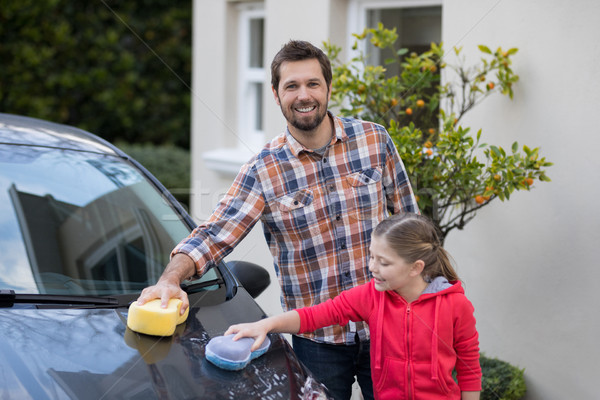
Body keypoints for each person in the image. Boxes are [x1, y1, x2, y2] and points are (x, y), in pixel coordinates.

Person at [137, 40, 418, 399]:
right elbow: (215, 233)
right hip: (317, 342)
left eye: (313, 84)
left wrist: (431, 301)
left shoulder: (374, 141)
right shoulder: (264, 169)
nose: (304, 95)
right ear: (275, 94)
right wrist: (170, 278)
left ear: (329, 88)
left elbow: (411, 225)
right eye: (292, 86)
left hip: (389, 328)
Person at [225, 213, 482, 400]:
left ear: (416, 268)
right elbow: (316, 315)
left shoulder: (455, 304)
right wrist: (266, 324)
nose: (372, 267)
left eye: (383, 262)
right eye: (371, 256)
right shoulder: (371, 296)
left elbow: (469, 364)